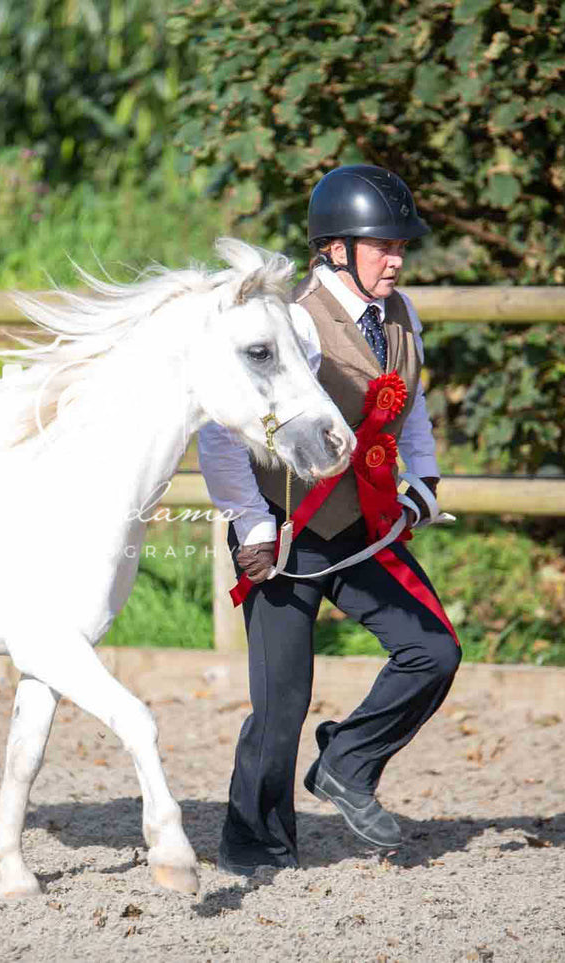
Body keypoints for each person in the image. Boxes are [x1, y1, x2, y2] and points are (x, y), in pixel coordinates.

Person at [198, 164, 461, 876]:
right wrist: (250, 524)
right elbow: (221, 433)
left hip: (361, 527)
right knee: (280, 702)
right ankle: (255, 841)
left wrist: (423, 480)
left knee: (433, 650)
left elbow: (406, 406)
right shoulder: (297, 322)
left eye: (400, 244)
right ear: (335, 249)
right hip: (282, 530)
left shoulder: (401, 315)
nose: (397, 257)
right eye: (382, 245)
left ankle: (345, 761)